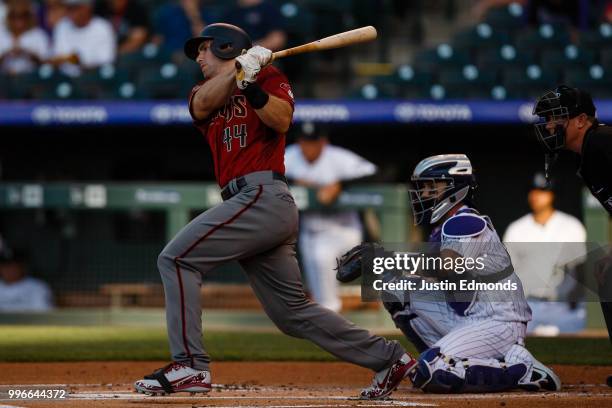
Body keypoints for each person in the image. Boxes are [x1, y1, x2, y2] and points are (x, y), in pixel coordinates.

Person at [133, 23, 415, 400]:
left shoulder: (268, 76)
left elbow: (281, 120)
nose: (198, 57)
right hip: (246, 203)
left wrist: (251, 84)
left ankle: (189, 365)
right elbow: (202, 106)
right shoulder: (204, 92)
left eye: (203, 49)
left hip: (263, 195)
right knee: (291, 314)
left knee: (177, 259)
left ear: (225, 46)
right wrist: (238, 73)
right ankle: (389, 358)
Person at [338, 154, 561, 393]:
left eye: (432, 187)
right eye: (423, 187)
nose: (424, 194)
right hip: (472, 318)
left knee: (432, 371)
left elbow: (446, 266)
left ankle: (522, 369)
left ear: (455, 188)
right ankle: (449, 357)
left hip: (500, 323)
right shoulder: (445, 228)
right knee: (397, 289)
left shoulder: (466, 221)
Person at [532, 84, 612, 384]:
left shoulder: (601, 142)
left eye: (556, 117)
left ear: (580, 120)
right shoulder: (592, 150)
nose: (549, 125)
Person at [284, 122, 377, 312]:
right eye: (304, 142)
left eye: (312, 142)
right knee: (317, 289)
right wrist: (294, 181)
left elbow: (375, 173)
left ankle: (332, 318)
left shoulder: (338, 157)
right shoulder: (291, 155)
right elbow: (264, 173)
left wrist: (340, 184)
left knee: (322, 263)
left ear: (323, 142)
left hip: (342, 230)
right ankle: (327, 319)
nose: (307, 147)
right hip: (310, 232)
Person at [503, 172, 587, 336]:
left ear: (552, 194)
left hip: (564, 307)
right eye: (533, 191)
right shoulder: (516, 229)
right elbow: (506, 274)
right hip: (529, 305)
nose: (536, 195)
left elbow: (582, 270)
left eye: (542, 191)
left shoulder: (571, 226)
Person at [51, 0, 116, 76]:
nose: (71, 13)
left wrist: (78, 63)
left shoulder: (103, 27)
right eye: (69, 8)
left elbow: (106, 64)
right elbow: (58, 57)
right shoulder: (62, 25)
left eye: (75, 8)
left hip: (95, 79)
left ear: (87, 8)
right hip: (65, 78)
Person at [0, 0, 50, 75]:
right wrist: (7, 54)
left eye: (23, 15)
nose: (18, 20)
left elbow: (46, 62)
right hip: (4, 79)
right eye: (14, 16)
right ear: (9, 17)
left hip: (31, 79)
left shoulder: (38, 35)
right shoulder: (2, 34)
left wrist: (26, 53)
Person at [221, 0, 286, 51]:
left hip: (264, 60)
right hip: (233, 60)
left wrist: (249, 50)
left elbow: (277, 41)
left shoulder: (270, 8)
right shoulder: (229, 12)